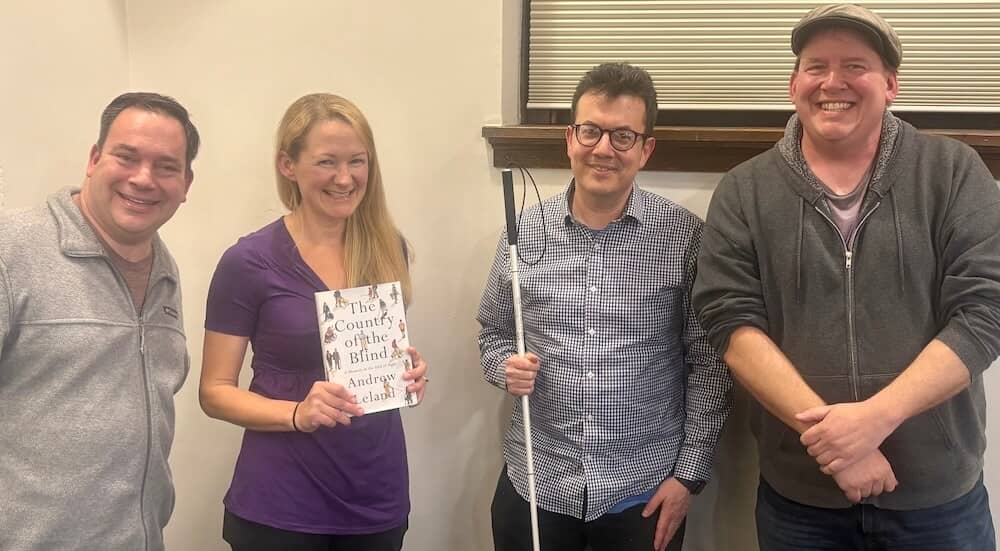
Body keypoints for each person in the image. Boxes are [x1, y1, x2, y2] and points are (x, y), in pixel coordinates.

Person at [692, 4, 1000, 549]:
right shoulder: (744, 190)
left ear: (891, 84)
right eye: (816, 66)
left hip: (937, 501)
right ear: (794, 85)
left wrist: (872, 421)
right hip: (801, 501)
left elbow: (986, 311)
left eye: (855, 65)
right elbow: (730, 323)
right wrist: (837, 447)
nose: (833, 82)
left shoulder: (953, 171)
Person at [478, 62, 732, 551]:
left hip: (643, 492)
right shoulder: (522, 233)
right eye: (591, 130)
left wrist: (688, 477)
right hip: (537, 483)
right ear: (570, 138)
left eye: (623, 136)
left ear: (645, 149)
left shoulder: (685, 239)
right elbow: (494, 332)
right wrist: (503, 367)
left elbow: (710, 365)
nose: (603, 149)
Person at [199, 93, 427, 551]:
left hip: (376, 494)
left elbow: (372, 358)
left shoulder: (389, 248)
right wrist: (297, 414)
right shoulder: (248, 262)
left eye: (357, 161)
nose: (345, 178)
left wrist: (407, 373)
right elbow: (214, 392)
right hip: (282, 501)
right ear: (288, 165)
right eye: (326, 162)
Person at [0, 92, 199, 550]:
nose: (143, 178)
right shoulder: (12, 250)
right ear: (94, 159)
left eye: (166, 166)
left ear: (186, 183)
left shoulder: (165, 272)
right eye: (127, 157)